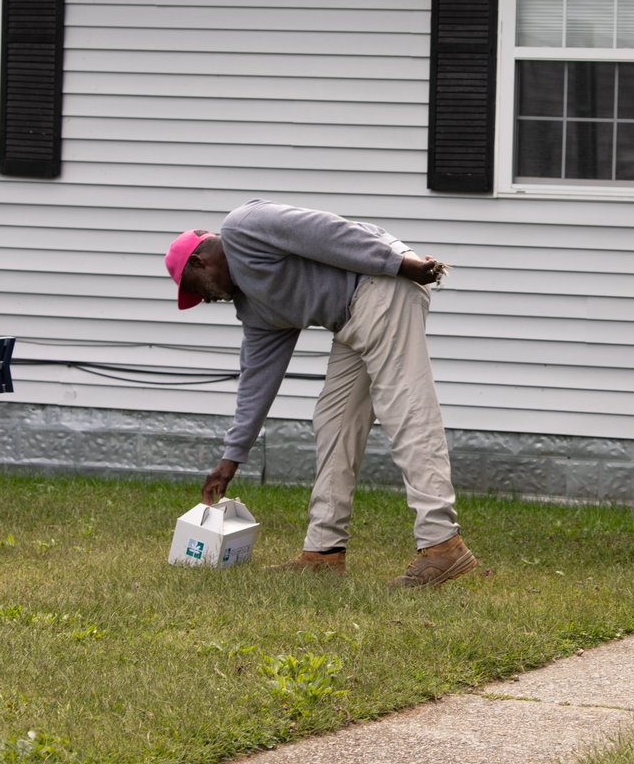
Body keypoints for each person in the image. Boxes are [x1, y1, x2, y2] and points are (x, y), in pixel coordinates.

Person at [163, 198, 477, 588]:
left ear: (199, 263)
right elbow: (257, 381)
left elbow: (329, 234)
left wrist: (404, 266)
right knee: (334, 422)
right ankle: (323, 552)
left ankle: (442, 545)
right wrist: (232, 457)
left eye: (197, 292)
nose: (206, 301)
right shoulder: (256, 309)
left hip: (384, 285)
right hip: (353, 318)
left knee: (408, 413)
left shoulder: (245, 226)